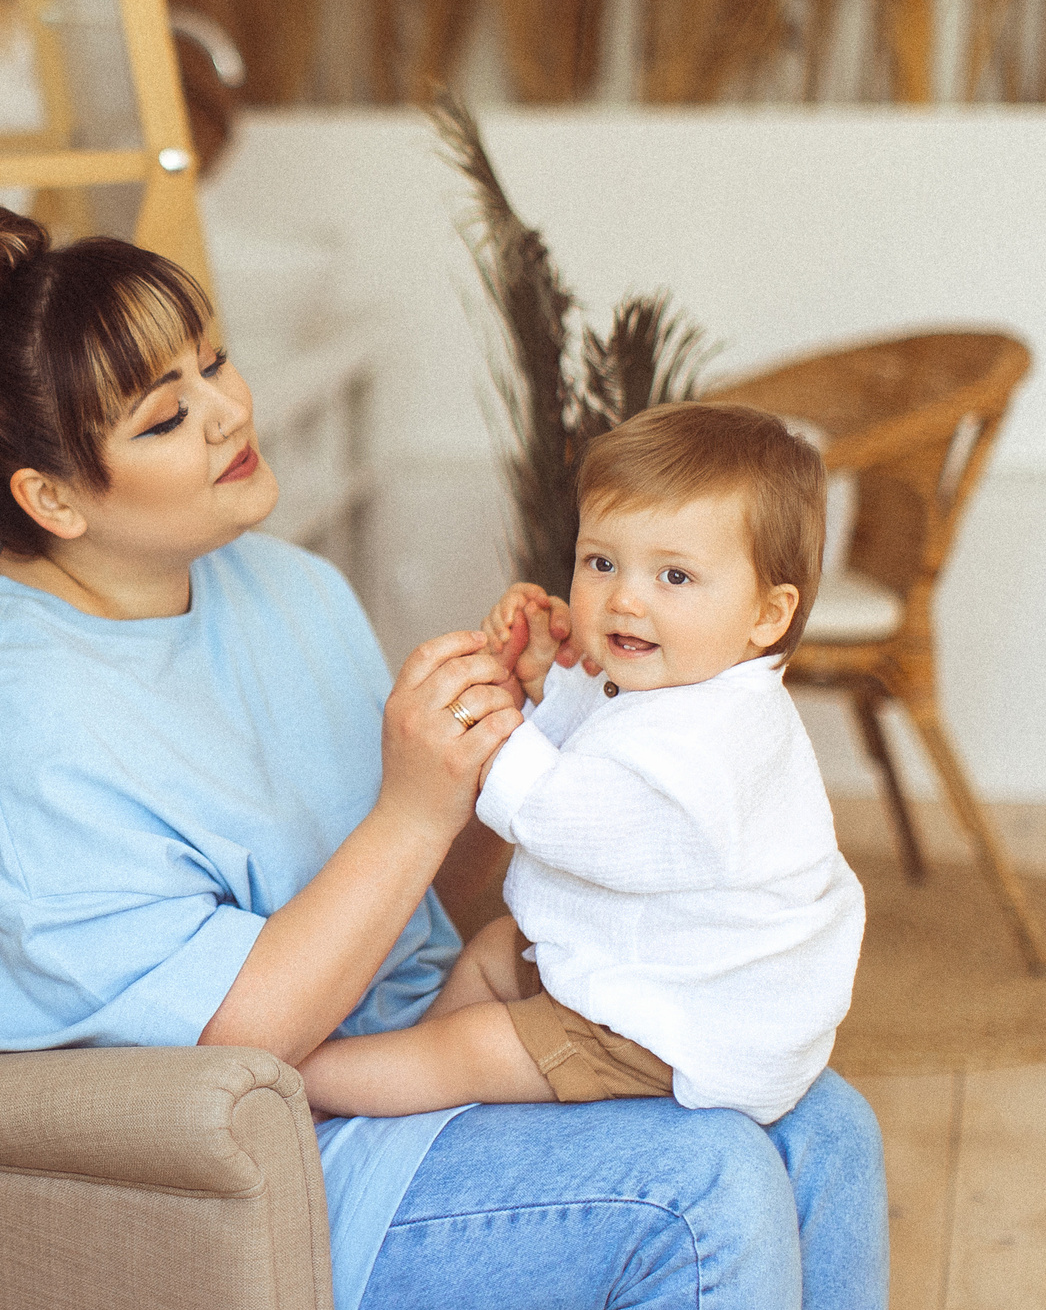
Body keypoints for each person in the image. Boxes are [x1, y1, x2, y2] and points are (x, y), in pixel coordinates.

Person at [0, 199, 887, 1310]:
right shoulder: (17, 735)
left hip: (394, 1060)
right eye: (166, 417)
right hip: (211, 1169)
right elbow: (230, 1051)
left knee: (821, 1128)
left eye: (214, 361)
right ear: (50, 496)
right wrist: (413, 808)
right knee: (702, 1189)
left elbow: (413, 907)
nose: (227, 413)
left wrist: (515, 737)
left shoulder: (280, 587)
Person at [296, 403, 865, 1130]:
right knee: (497, 951)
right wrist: (546, 681)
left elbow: (567, 815)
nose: (625, 596)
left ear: (766, 613)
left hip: (680, 1016)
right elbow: (605, 737)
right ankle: (408, 1080)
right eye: (602, 562)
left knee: (474, 1046)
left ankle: (309, 1078)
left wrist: (490, 725)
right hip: (645, 953)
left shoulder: (717, 744)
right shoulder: (689, 683)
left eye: (675, 576)